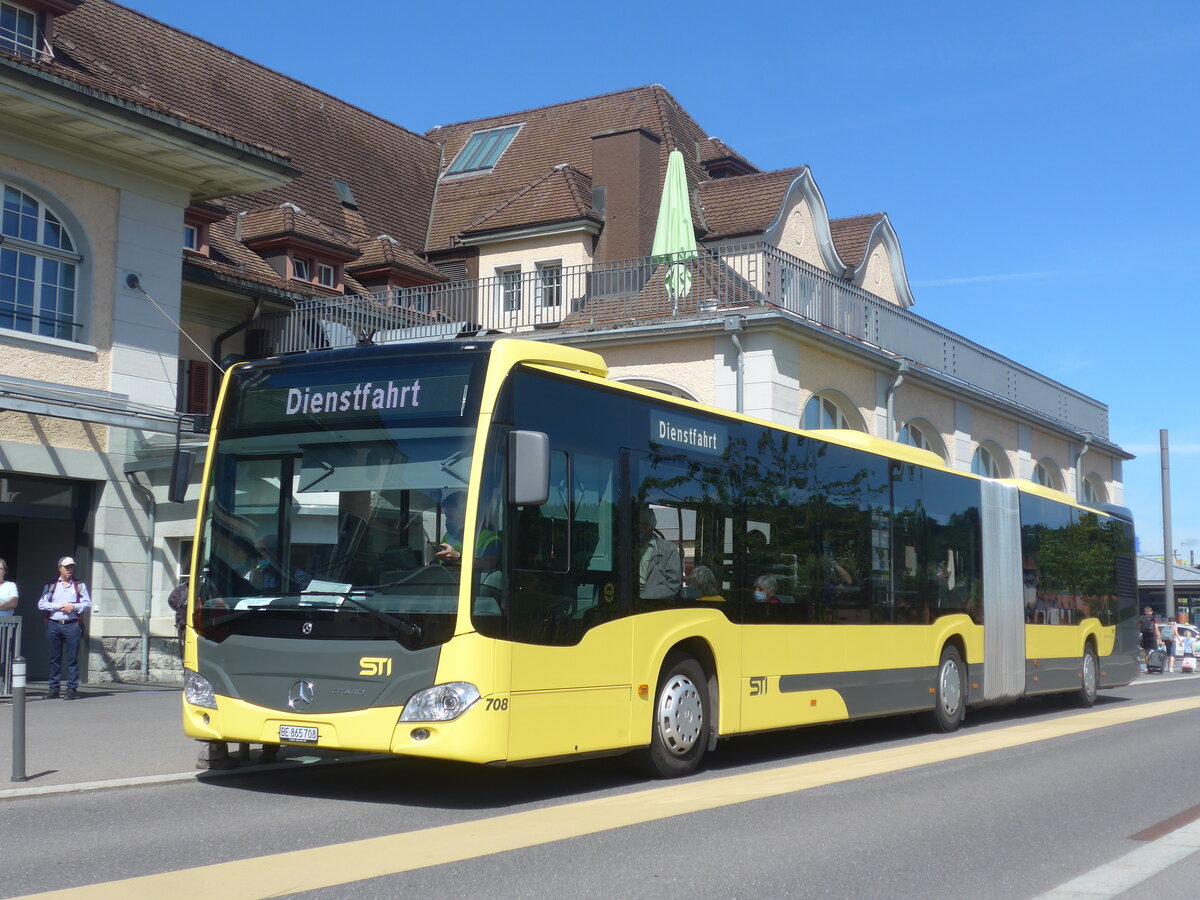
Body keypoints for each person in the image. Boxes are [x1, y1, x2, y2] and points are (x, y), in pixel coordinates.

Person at [38, 556, 91, 700]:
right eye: (66, 567)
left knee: (72, 659)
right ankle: (54, 689)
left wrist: (73, 607)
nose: (69, 569)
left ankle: (71, 689)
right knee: (54, 658)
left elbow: (87, 604)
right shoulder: (51, 585)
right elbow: (41, 604)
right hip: (54, 624)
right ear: (59, 568)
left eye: (71, 567)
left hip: (72, 625)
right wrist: (59, 606)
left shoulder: (79, 585)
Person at [435, 492, 500, 568]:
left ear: (465, 515)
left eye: (451, 517)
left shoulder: (490, 539)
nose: (447, 522)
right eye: (446, 517)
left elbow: (491, 563)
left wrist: (458, 558)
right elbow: (437, 563)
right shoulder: (447, 537)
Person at [638, 506, 682, 601]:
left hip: (653, 605)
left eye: (640, 525)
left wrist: (643, 596)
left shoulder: (669, 550)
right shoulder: (629, 547)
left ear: (648, 526)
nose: (637, 529)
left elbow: (672, 586)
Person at [166, 579, 189, 657]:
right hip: (184, 623)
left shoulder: (182, 588)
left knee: (185, 650)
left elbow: (171, 601)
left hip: (182, 622)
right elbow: (171, 601)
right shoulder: (184, 590)